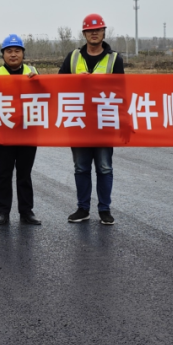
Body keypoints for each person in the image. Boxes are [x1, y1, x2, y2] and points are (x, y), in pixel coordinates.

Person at [59, 13, 123, 226]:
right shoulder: (73, 57)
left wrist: (123, 121)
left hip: (104, 121)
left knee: (105, 167)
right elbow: (58, 84)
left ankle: (104, 209)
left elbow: (121, 91)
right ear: (84, 33)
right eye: (90, 30)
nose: (94, 33)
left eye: (98, 30)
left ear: (104, 32)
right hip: (79, 122)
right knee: (81, 167)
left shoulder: (114, 59)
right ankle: (83, 208)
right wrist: (77, 81)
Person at [0, 34, 40, 226]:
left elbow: (46, 96)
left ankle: (26, 212)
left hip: (28, 131)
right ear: (3, 54)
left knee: (24, 174)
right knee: (4, 174)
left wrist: (38, 82)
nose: (13, 55)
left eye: (17, 51)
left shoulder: (33, 72)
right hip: (5, 132)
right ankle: (2, 212)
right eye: (9, 51)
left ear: (23, 53)